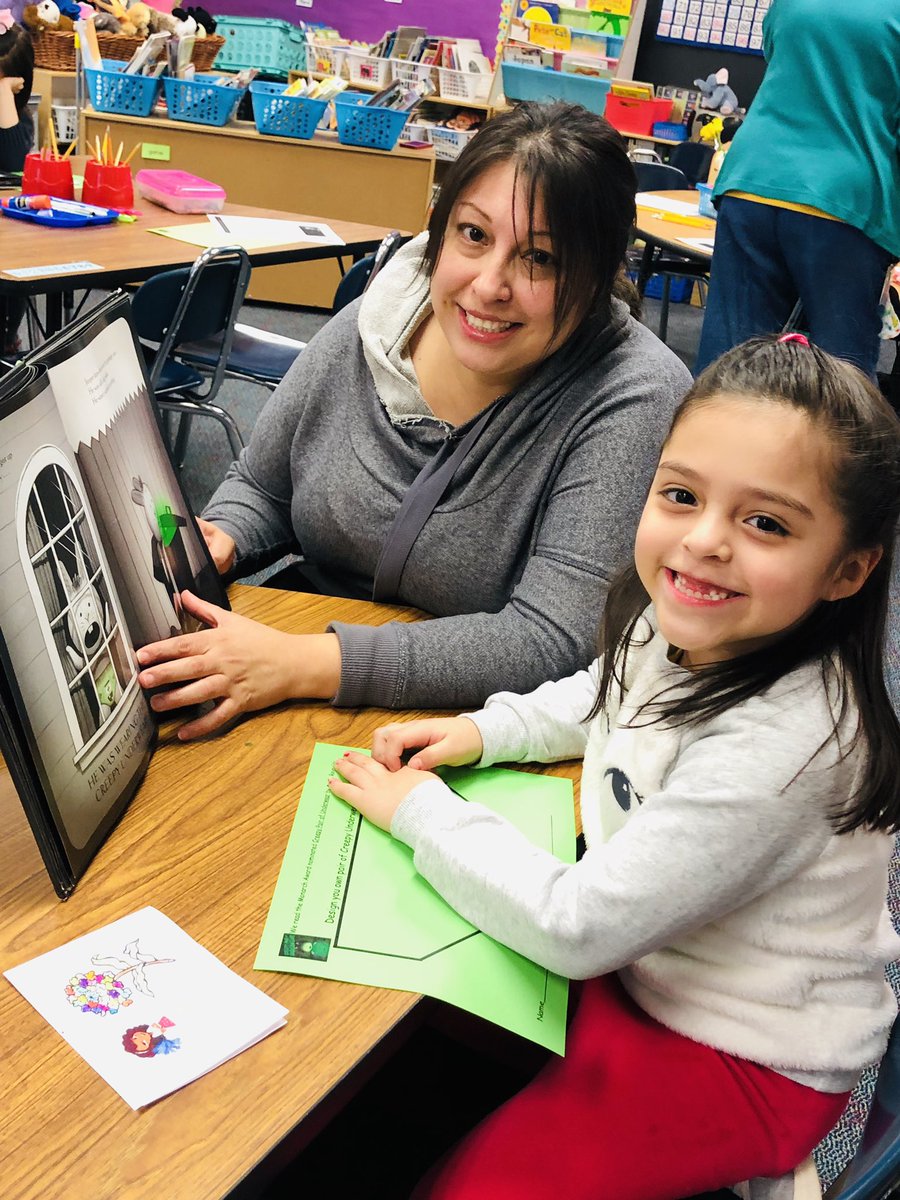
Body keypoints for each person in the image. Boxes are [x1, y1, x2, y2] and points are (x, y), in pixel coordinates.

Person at [331, 334, 900, 1200]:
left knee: (467, 1188)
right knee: (411, 1041)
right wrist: (486, 732)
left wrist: (422, 812)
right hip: (647, 969)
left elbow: (579, 927)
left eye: (766, 523)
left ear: (848, 571)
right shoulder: (696, 619)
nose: (703, 541)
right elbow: (606, 689)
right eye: (681, 495)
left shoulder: (788, 747)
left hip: (741, 1059)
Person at [135, 101, 691, 740]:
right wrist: (227, 533)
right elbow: (264, 486)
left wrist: (302, 663)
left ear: (598, 276)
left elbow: (551, 638)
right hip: (293, 658)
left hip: (467, 721)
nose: (488, 285)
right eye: (473, 235)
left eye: (540, 259)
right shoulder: (383, 321)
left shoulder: (631, 394)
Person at [694, 0, 900, 378]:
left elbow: (777, 55)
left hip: (752, 179)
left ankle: (707, 434)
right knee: (842, 372)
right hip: (843, 195)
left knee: (730, 359)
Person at [0, 13, 34, 359]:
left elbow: (13, 171)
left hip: (11, 247)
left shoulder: (18, 124)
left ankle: (7, 345)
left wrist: (4, 100)